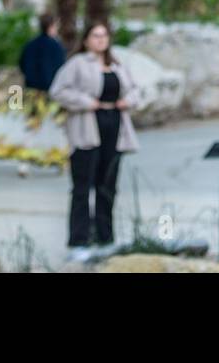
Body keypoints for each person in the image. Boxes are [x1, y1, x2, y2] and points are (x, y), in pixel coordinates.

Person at [49, 21, 140, 262]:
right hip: (86, 130)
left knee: (107, 186)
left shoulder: (117, 65)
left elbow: (135, 90)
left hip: (115, 128)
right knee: (82, 188)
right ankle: (78, 241)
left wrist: (128, 101)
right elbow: (58, 91)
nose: (100, 40)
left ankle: (105, 238)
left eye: (104, 35)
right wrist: (85, 102)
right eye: (95, 35)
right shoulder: (77, 64)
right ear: (87, 39)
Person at [19, 14, 66, 94]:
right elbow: (61, 67)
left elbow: (22, 64)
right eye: (56, 25)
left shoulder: (30, 44)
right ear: (51, 26)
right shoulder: (56, 46)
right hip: (51, 90)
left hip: (31, 88)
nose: (57, 28)